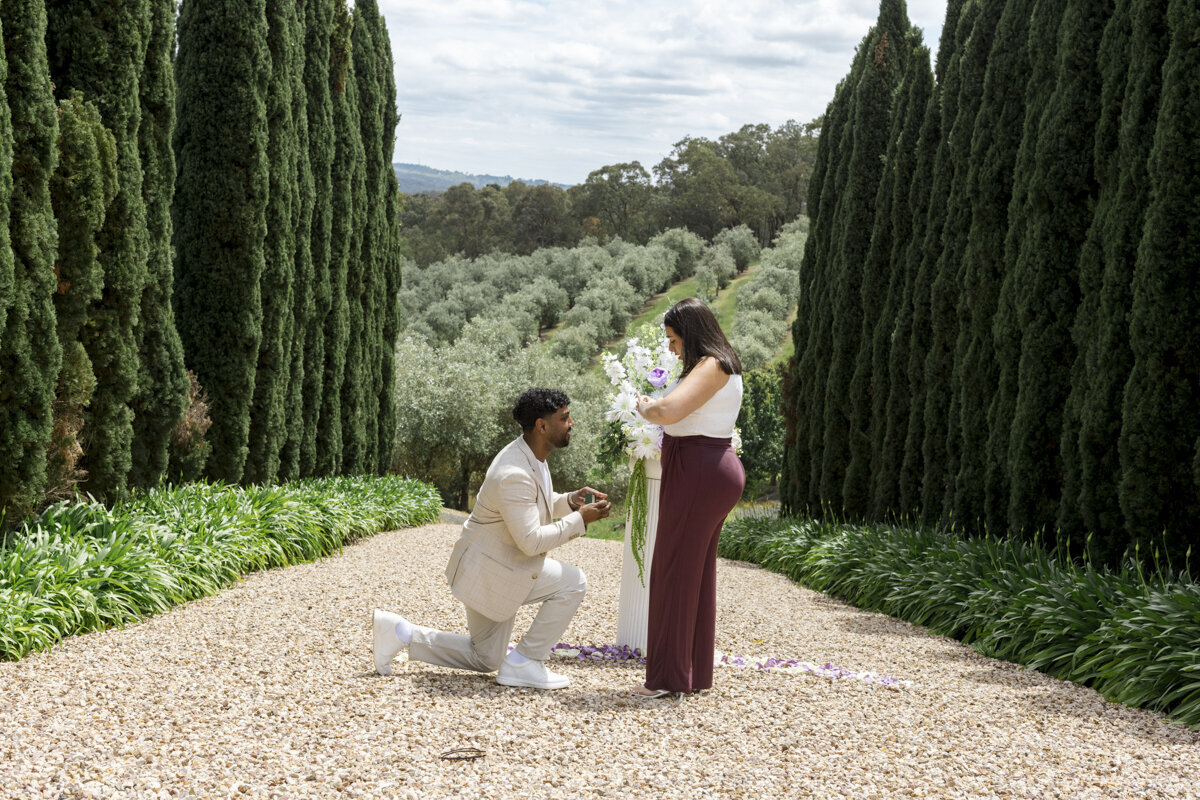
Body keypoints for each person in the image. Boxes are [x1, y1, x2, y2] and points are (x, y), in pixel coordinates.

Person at [372, 388, 611, 690]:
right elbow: (531, 542)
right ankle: (526, 661)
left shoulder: (531, 453)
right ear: (542, 425)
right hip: (490, 572)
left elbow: (529, 503)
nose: (571, 423)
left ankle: (400, 633)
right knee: (574, 581)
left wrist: (568, 502)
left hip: (497, 565)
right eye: (564, 418)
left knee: (485, 658)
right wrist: (580, 520)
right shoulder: (513, 472)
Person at [633, 297, 745, 698]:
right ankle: (692, 672)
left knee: (674, 569)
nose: (670, 349)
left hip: (698, 469)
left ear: (692, 334)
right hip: (702, 468)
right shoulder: (716, 365)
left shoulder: (711, 364)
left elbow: (668, 412)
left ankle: (668, 677)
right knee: (693, 573)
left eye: (674, 339)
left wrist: (645, 407)